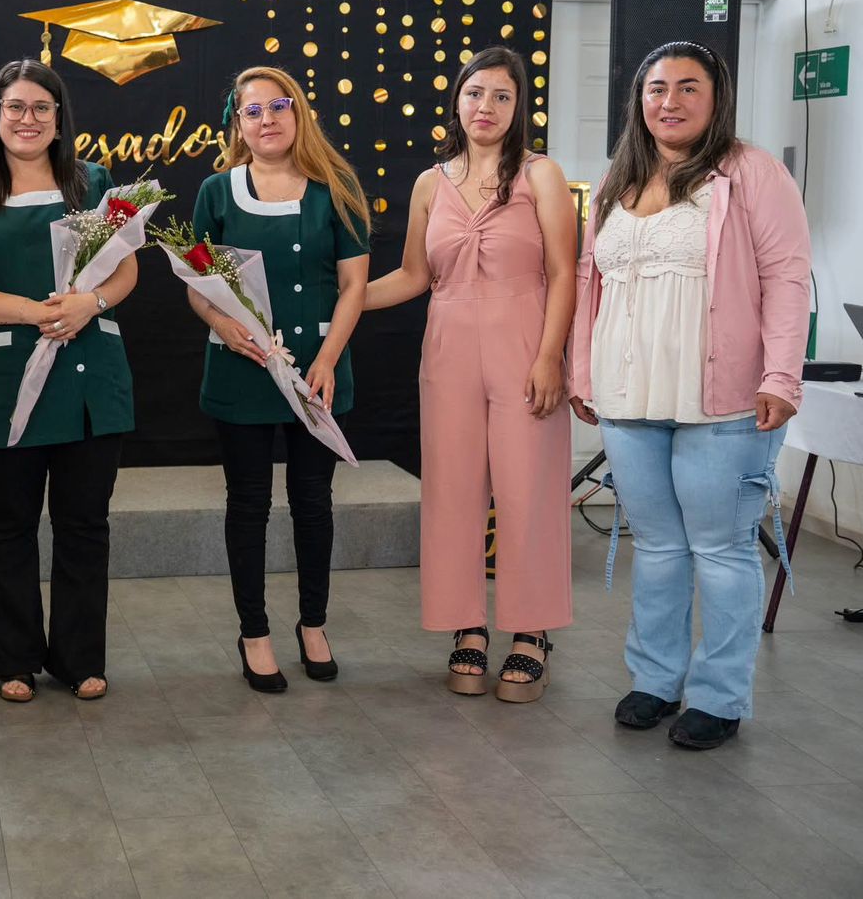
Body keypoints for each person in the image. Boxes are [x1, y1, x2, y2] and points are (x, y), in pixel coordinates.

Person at [570, 40, 810, 748]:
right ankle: (654, 680)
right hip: (627, 394)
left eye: (687, 88)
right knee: (657, 547)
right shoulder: (617, 179)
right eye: (656, 88)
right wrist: (583, 372)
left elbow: (787, 278)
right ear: (639, 100)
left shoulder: (752, 173)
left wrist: (781, 377)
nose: (669, 101)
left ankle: (719, 696)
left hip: (725, 398)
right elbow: (589, 282)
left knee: (722, 550)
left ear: (716, 98)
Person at [365, 46, 577, 702]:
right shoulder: (430, 184)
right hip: (448, 348)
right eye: (475, 93)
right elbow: (412, 276)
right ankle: (468, 626)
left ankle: (531, 632)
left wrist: (550, 355)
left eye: (501, 96)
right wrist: (341, 303)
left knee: (527, 490)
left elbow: (565, 272)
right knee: (452, 491)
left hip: (524, 344)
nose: (486, 107)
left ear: (519, 108)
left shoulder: (542, 175)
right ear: (457, 101)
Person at [0, 58, 134, 703]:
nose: (28, 118)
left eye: (41, 107)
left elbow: (125, 271)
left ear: (59, 119)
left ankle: (80, 659)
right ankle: (13, 660)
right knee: (9, 523)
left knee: (85, 525)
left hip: (89, 383)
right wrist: (34, 312)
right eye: (15, 106)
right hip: (3, 383)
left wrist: (89, 304)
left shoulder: (95, 184)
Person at [190, 65, 370, 692]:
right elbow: (197, 286)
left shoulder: (337, 186)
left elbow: (353, 285)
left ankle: (313, 624)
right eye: (253, 110)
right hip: (240, 372)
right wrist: (222, 322)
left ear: (299, 113)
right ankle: (255, 633)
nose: (266, 119)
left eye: (278, 105)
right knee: (248, 504)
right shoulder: (216, 192)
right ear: (237, 124)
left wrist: (327, 357)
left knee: (313, 502)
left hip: (318, 371)